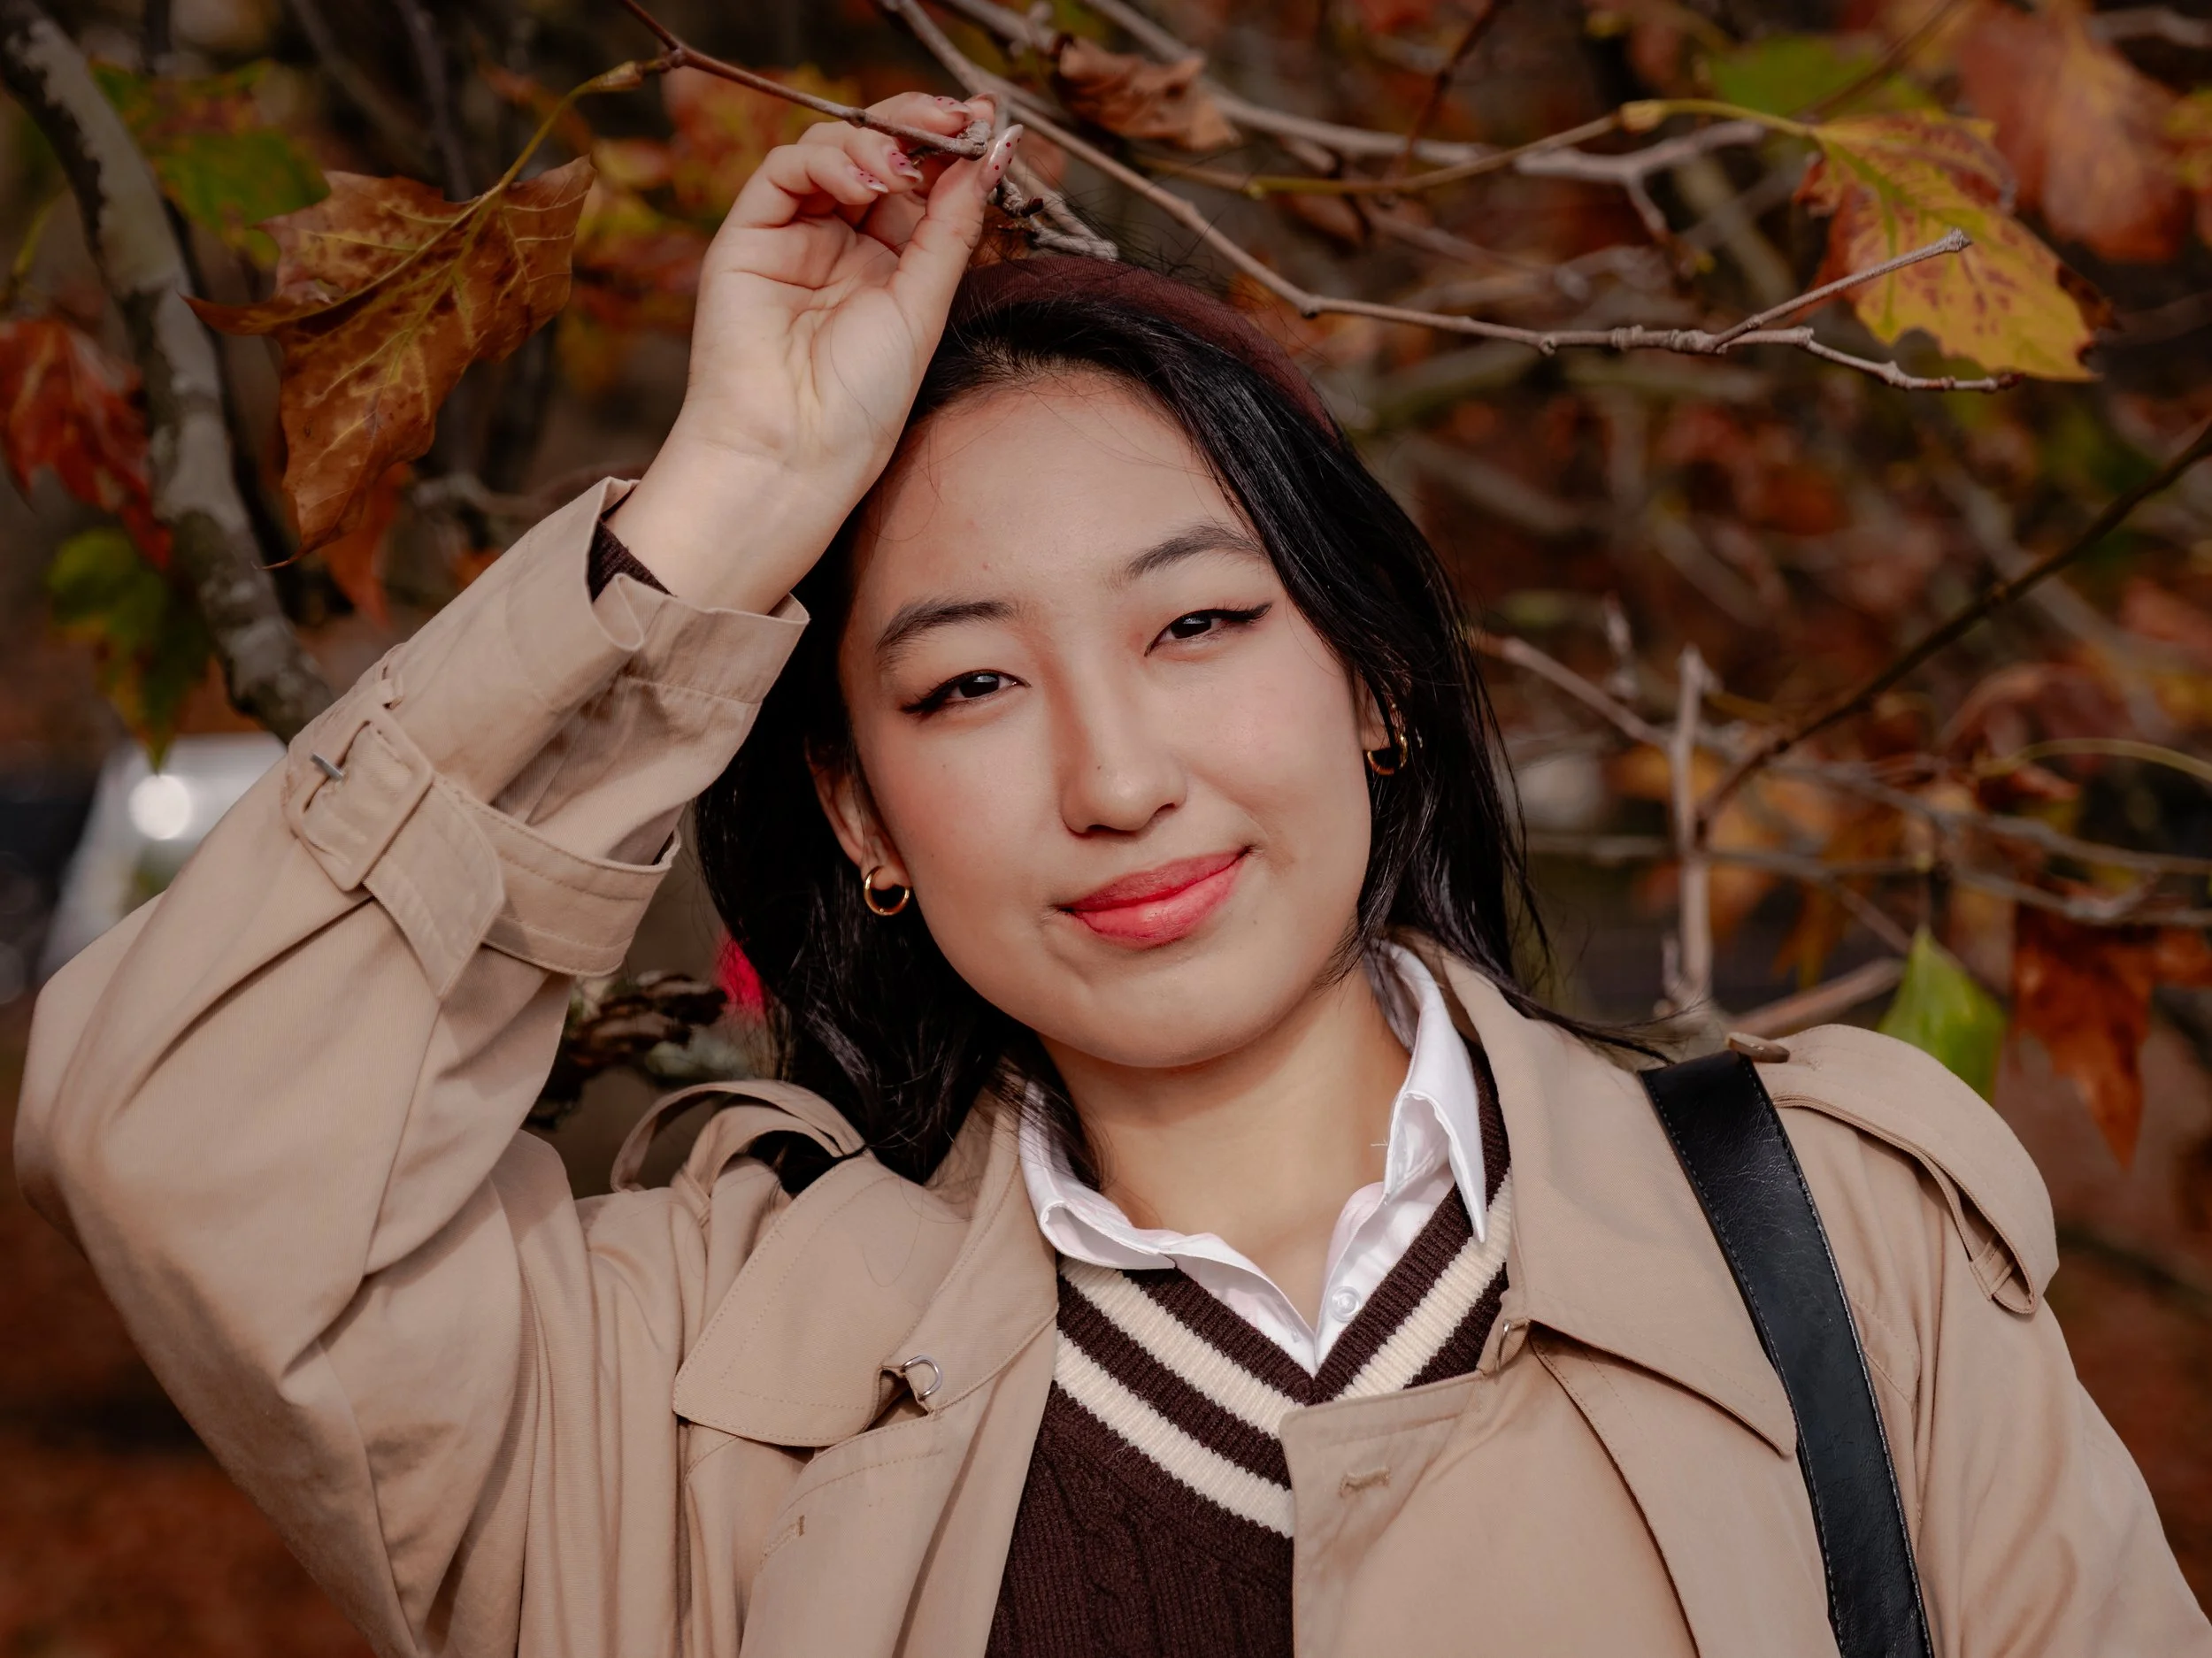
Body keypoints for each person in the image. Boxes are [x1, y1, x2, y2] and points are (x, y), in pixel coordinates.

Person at [17, 91, 2208, 1658]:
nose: (1113, 773)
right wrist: (717, 511)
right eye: (966, 688)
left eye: (1195, 624)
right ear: (861, 818)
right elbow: (186, 1143)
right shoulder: (689, 1399)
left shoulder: (1833, 1258)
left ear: (1366, 678)